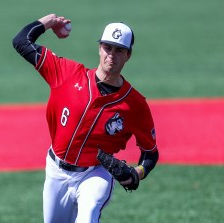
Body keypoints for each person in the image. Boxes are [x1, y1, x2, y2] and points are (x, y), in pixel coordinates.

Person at [12, 13, 159, 223]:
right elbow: (21, 41)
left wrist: (138, 173)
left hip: (95, 174)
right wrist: (50, 22)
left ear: (128, 55)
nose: (112, 55)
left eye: (119, 50)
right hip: (56, 171)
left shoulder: (135, 104)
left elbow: (150, 153)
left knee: (88, 216)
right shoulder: (67, 74)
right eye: (107, 47)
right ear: (99, 48)